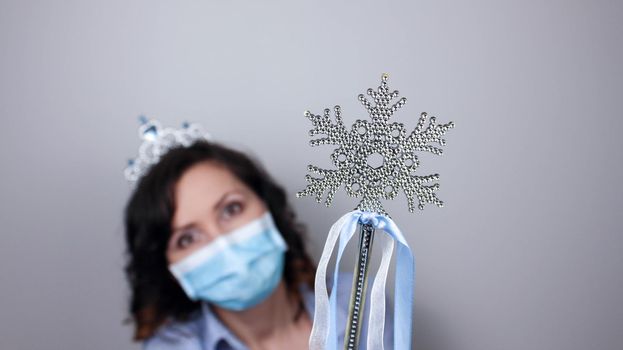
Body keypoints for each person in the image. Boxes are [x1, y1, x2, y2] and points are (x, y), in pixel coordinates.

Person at [123, 140, 393, 350]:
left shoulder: (362, 302)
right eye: (187, 238)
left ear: (269, 208)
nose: (223, 244)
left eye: (231, 209)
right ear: (169, 268)